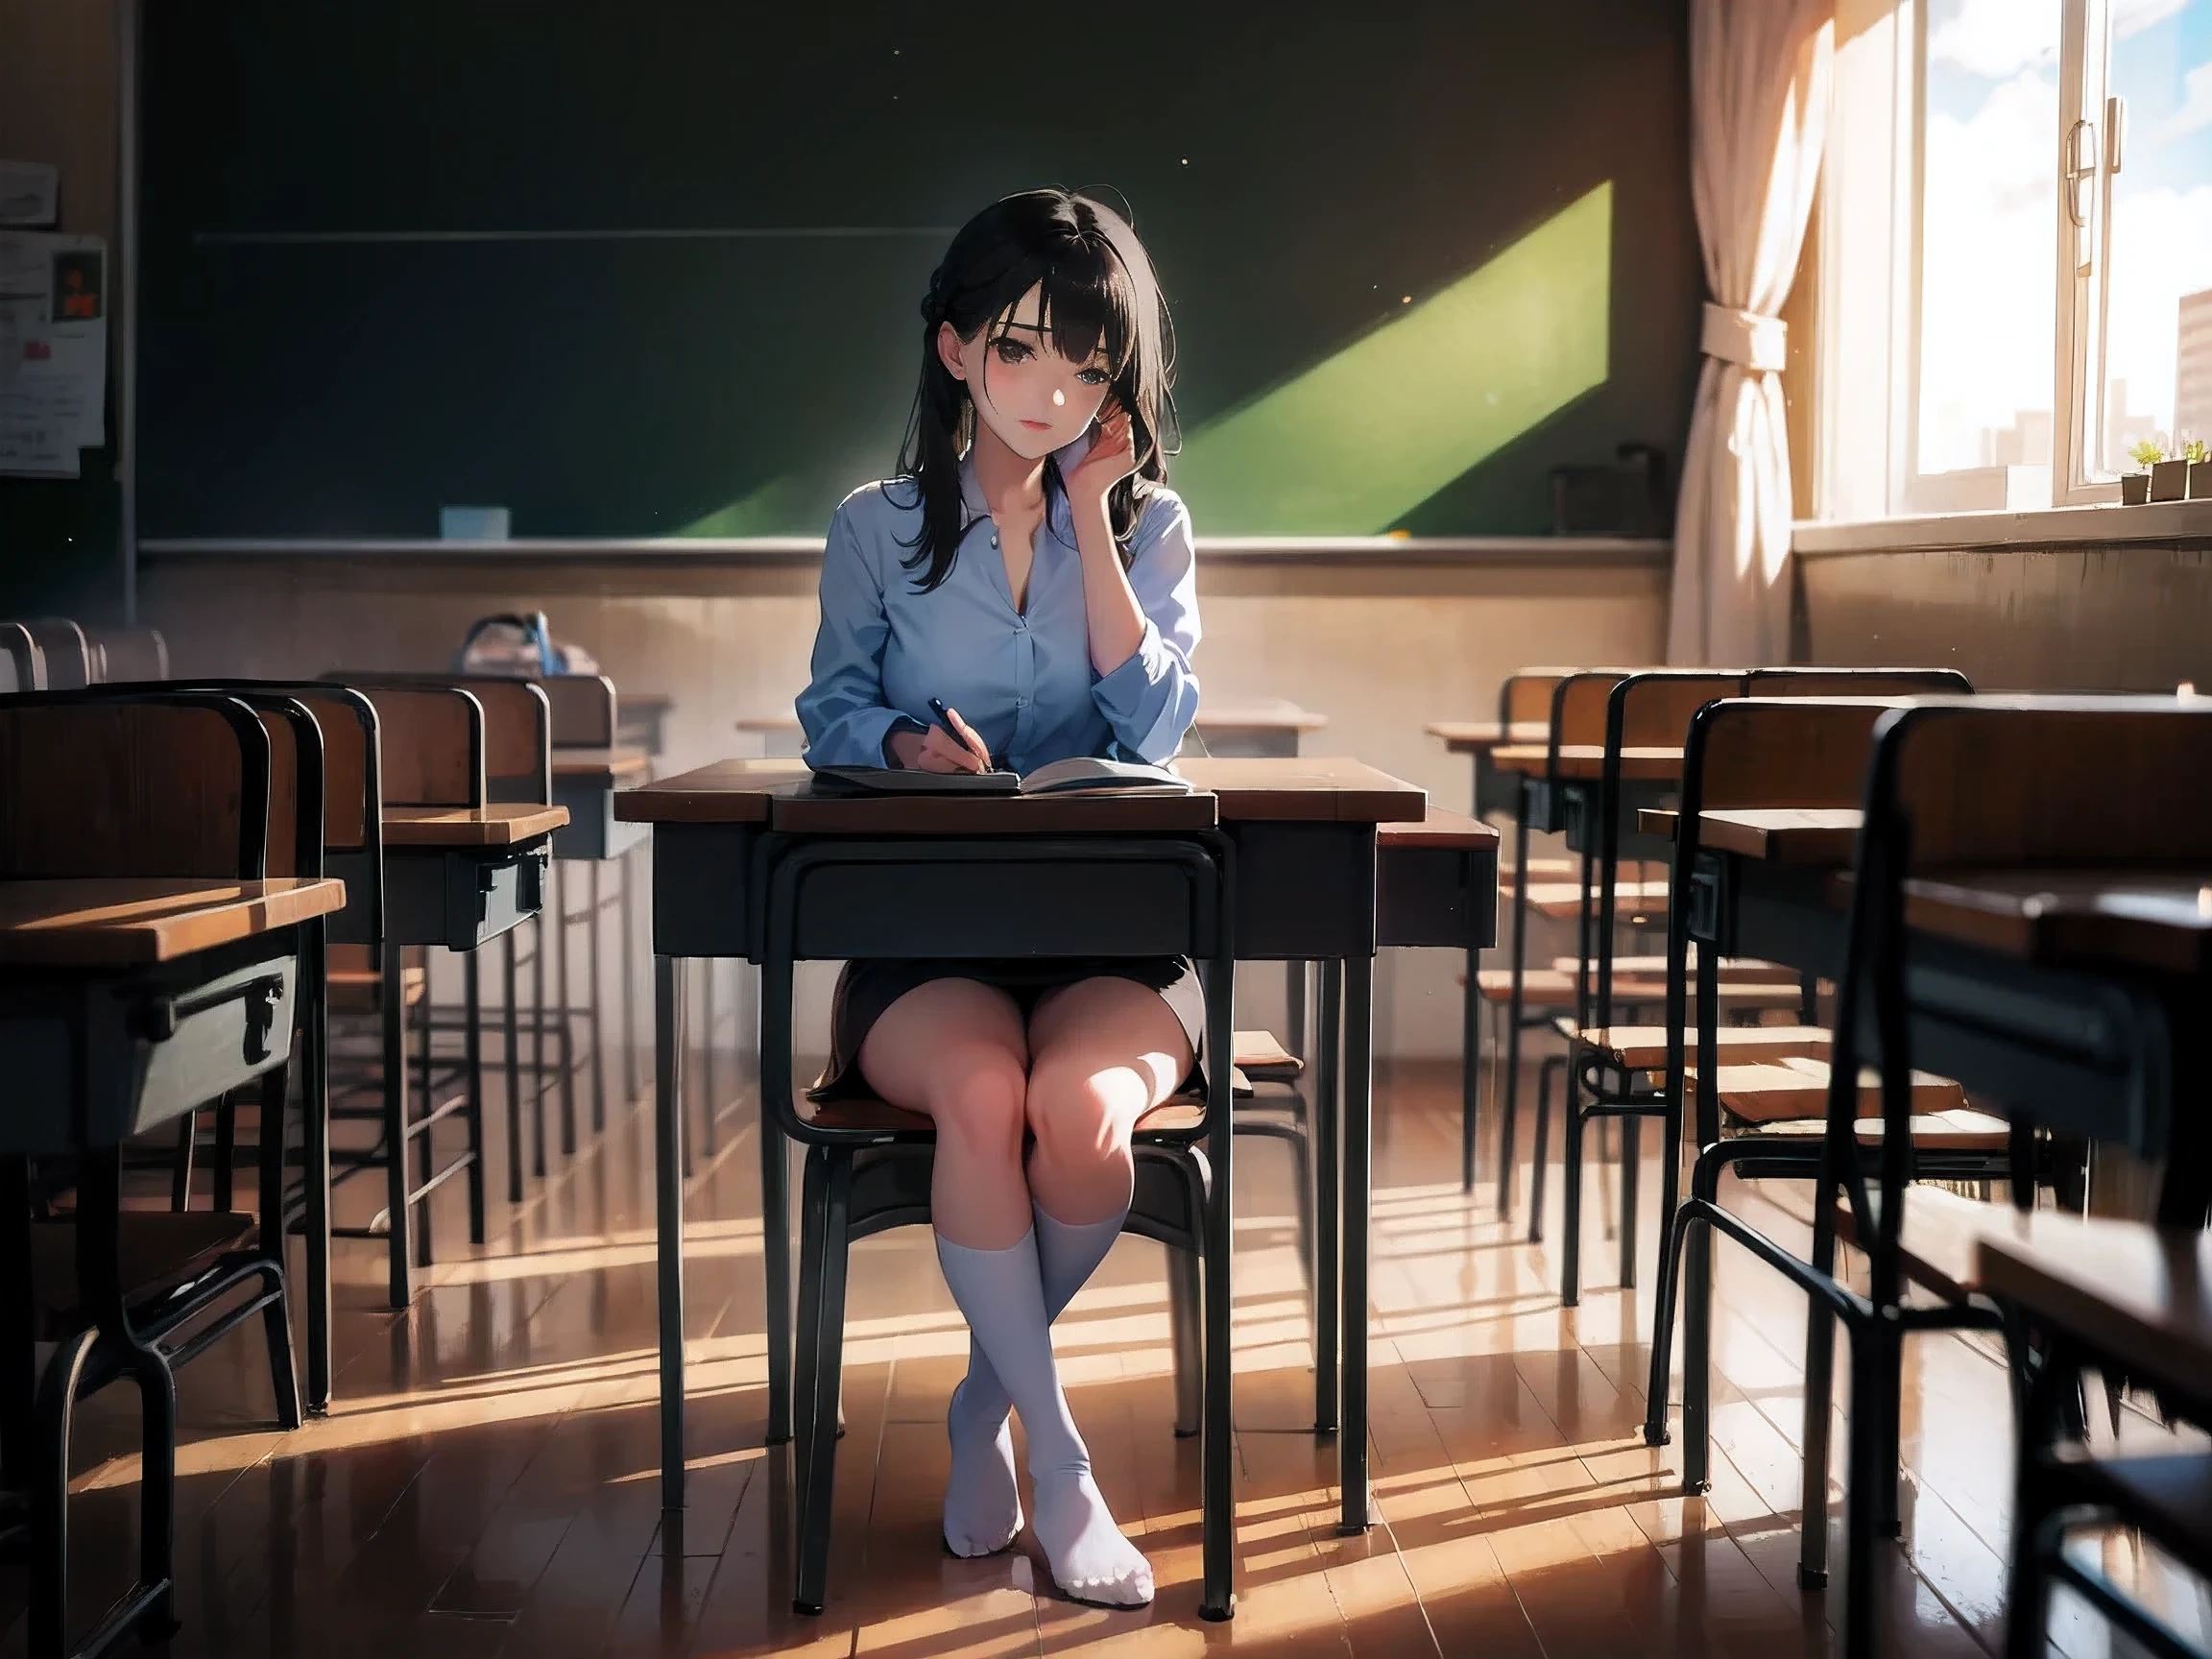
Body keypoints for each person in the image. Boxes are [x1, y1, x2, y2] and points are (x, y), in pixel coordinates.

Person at [795, 188, 1198, 1607]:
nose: (1055, 391)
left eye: (1089, 368)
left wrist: (1090, 514)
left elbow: (1150, 733)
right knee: (982, 1098)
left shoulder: (1148, 528)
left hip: (1107, 939)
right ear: (958, 349)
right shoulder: (875, 527)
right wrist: (899, 744)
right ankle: (1062, 1458)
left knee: (1078, 1114)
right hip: (930, 939)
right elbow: (830, 712)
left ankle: (981, 1403)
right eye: (1025, 352)